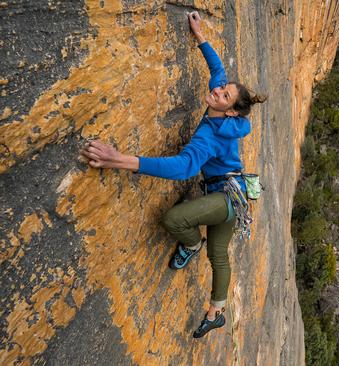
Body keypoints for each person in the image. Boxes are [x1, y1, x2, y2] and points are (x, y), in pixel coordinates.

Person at [80, 11, 266, 338]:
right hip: (235, 196)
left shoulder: (211, 135)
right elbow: (217, 69)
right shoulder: (222, 105)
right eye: (222, 89)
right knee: (219, 254)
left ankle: (193, 251)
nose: (218, 89)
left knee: (174, 220)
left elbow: (184, 167)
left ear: (230, 109)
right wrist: (199, 33)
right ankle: (217, 312)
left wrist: (119, 159)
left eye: (224, 94)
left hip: (226, 197)